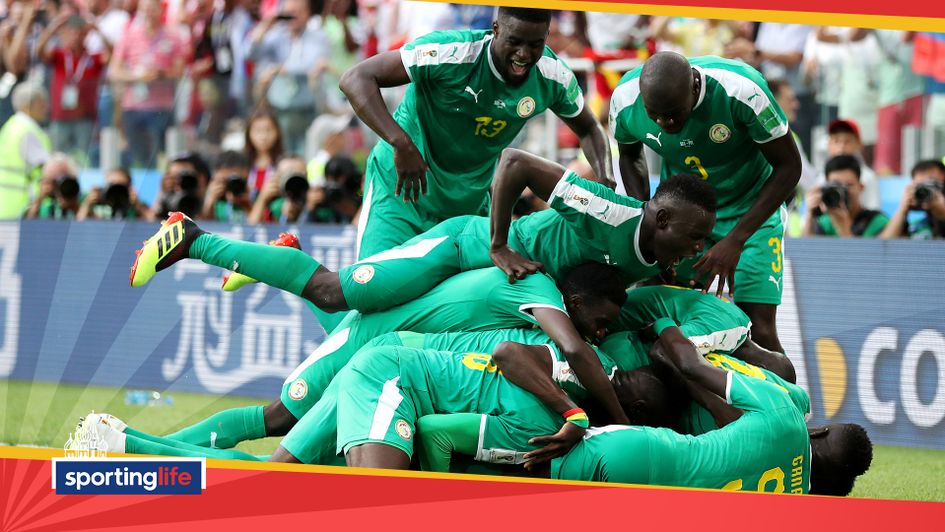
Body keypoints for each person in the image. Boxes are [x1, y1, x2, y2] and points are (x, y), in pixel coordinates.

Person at [109, 261, 627, 457]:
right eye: (602, 321)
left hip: (390, 355)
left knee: (279, 470)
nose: (603, 333)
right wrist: (580, 412)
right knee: (276, 419)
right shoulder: (545, 327)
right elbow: (511, 354)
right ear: (573, 304)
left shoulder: (535, 317)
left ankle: (126, 444)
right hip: (387, 367)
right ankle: (247, 254)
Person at [339, 7, 613, 259]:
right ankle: (299, 268)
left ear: (546, 37)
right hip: (401, 195)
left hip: (466, 205)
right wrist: (401, 143)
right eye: (515, 41)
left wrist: (605, 180)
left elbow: (589, 128)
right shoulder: (453, 51)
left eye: (535, 44)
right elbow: (356, 78)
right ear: (495, 29)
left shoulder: (553, 76)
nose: (524, 54)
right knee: (373, 292)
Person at [548, 318, 873, 496]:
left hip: (644, 450)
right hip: (664, 497)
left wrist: (663, 323)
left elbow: (689, 364)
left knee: (526, 474)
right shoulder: (792, 498)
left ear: (820, 431)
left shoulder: (786, 409)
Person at [609, 51, 801, 353]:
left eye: (672, 114)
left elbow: (790, 167)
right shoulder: (624, 98)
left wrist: (736, 240)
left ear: (695, 89)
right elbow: (630, 155)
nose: (664, 122)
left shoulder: (742, 90)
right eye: (654, 115)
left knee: (757, 330)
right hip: (686, 216)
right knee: (658, 313)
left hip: (750, 213)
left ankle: (787, 401)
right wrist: (646, 225)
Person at [108, 0, 189, 167]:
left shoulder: (173, 37)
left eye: (152, 9)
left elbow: (180, 70)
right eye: (144, 9)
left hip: (161, 107)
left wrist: (161, 74)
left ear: (161, 10)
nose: (148, 13)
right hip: (133, 107)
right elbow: (114, 71)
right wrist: (136, 76)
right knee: (138, 154)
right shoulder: (129, 35)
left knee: (163, 153)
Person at [248, 0, 330, 155]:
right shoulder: (276, 36)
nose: (293, 16)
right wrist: (266, 23)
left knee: (308, 153)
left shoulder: (318, 36)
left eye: (297, 11)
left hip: (307, 108)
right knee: (282, 152)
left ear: (307, 12)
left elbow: (314, 64)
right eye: (288, 12)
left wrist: (279, 69)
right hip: (281, 108)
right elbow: (251, 53)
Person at [36, 12, 110, 161]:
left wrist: (98, 30)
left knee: (84, 159)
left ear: (85, 35)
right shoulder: (60, 55)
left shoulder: (92, 58)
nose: (75, 36)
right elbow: (39, 51)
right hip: (60, 117)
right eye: (71, 33)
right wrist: (53, 27)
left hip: (84, 118)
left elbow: (111, 53)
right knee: (57, 157)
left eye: (79, 33)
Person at [802, 155, 888, 237]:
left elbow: (874, 252)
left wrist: (843, 229)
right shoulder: (823, 222)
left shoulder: (877, 222)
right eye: (836, 185)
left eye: (848, 185)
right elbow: (804, 249)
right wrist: (810, 214)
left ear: (861, 187)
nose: (842, 191)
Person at [0, 82, 51, 219]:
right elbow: (50, 169)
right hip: (23, 209)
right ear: (28, 105)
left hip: (5, 207)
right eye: (41, 103)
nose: (45, 107)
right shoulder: (28, 131)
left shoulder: (10, 126)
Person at [823, 118, 880, 210]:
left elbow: (873, 210)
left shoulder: (868, 177)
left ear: (859, 144)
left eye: (847, 141)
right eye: (836, 141)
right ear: (829, 144)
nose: (841, 146)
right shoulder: (821, 177)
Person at [881, 160, 945, 239]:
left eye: (933, 185)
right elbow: (884, 245)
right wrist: (902, 210)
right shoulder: (917, 227)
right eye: (921, 186)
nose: (926, 192)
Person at [247, 154, 312, 224]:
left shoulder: (311, 197)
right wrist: (262, 199)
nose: (292, 181)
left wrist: (309, 208)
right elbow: (251, 228)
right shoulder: (269, 197)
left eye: (297, 174)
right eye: (287, 174)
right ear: (276, 176)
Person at [78, 167, 154, 220]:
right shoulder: (98, 202)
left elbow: (153, 222)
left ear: (129, 187)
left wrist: (139, 207)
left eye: (120, 186)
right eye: (111, 185)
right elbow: (79, 222)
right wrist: (87, 205)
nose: (115, 190)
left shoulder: (135, 204)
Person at [24, 153, 83, 219]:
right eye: (53, 182)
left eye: (63, 180)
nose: (58, 187)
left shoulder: (83, 200)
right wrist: (39, 200)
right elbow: (26, 224)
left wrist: (75, 207)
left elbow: (91, 223)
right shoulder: (42, 205)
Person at [201, 149, 252, 222]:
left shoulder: (253, 197)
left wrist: (249, 206)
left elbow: (259, 227)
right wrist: (210, 202)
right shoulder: (213, 201)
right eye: (225, 182)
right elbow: (205, 228)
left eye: (236, 181)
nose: (231, 187)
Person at [243, 108, 284, 197]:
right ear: (248, 134)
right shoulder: (243, 163)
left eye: (268, 130)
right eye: (258, 131)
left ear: (277, 132)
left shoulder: (283, 162)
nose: (263, 136)